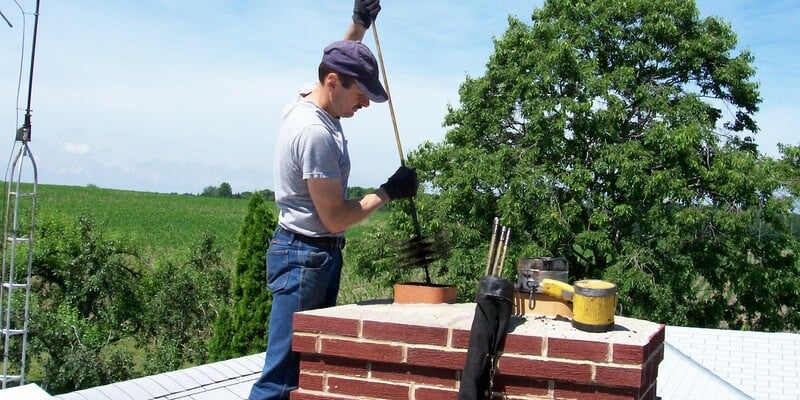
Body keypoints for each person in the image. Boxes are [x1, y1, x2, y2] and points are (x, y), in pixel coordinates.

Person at [247, 1, 418, 399]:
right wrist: (389, 191)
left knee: (303, 368)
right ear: (335, 83)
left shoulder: (309, 98)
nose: (365, 103)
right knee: (281, 378)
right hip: (305, 258)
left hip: (308, 255)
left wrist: (359, 24)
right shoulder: (315, 134)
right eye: (362, 93)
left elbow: (334, 61)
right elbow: (335, 219)